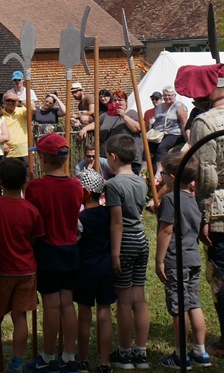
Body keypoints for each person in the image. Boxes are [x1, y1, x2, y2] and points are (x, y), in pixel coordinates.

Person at [23, 133, 84, 373]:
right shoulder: (76, 187)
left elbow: (33, 220)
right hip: (70, 248)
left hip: (47, 248)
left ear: (44, 160)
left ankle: (48, 356)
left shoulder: (36, 188)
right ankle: (68, 356)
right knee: (67, 304)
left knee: (50, 305)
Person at [175, 62, 224, 357]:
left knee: (220, 276)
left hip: (220, 209)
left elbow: (206, 176)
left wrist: (203, 216)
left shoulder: (206, 123)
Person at [0, 158, 44, 373]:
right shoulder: (31, 210)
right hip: (26, 270)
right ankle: (17, 363)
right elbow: (35, 239)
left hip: (0, 270)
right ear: (25, 181)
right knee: (20, 318)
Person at [155, 150, 213, 368]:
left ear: (172, 176)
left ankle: (180, 355)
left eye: (163, 173)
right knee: (193, 304)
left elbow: (166, 232)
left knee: (179, 307)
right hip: (193, 259)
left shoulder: (170, 200)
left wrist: (159, 260)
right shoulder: (193, 199)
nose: (161, 177)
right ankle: (200, 352)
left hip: (176, 260)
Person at [105, 134, 151, 369]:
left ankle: (124, 353)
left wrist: (114, 254)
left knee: (124, 301)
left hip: (124, 243)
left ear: (113, 157)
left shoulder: (113, 185)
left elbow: (117, 222)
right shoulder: (141, 182)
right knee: (138, 298)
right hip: (142, 240)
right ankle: (141, 353)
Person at [74, 170, 115, 373]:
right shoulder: (109, 214)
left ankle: (82, 360)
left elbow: (75, 240)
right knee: (105, 314)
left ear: (86, 192)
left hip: (86, 270)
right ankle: (104, 362)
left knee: (84, 315)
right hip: (105, 268)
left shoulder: (81, 218)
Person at [78, 89, 142, 173]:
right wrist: (85, 129)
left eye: (120, 100)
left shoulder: (132, 113)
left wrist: (123, 115)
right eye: (114, 100)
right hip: (111, 157)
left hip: (128, 157)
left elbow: (136, 128)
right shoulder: (107, 115)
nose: (117, 102)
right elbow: (97, 124)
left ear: (126, 101)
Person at [151, 86, 189, 167]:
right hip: (159, 133)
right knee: (149, 147)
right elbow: (157, 122)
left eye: (169, 95)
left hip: (174, 133)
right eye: (165, 95)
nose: (167, 97)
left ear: (174, 95)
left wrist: (187, 138)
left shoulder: (179, 106)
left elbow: (184, 123)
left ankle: (160, 171)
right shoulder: (159, 107)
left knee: (162, 147)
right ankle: (144, 170)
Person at [1, 94, 29, 167]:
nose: (10, 102)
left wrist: (19, 100)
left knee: (27, 177)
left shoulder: (22, 111)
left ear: (17, 102)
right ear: (3, 101)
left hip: (24, 152)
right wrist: (2, 143)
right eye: (8, 100)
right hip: (8, 153)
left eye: (13, 100)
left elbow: (33, 109)